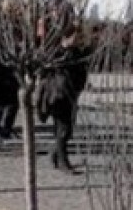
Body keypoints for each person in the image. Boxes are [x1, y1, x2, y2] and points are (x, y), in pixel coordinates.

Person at [39, 25, 89, 173]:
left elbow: (81, 71)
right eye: (75, 37)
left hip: (72, 94)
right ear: (66, 37)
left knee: (67, 129)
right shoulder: (57, 53)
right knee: (63, 129)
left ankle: (56, 154)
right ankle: (63, 161)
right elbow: (46, 72)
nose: (78, 40)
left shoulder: (77, 52)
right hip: (58, 95)